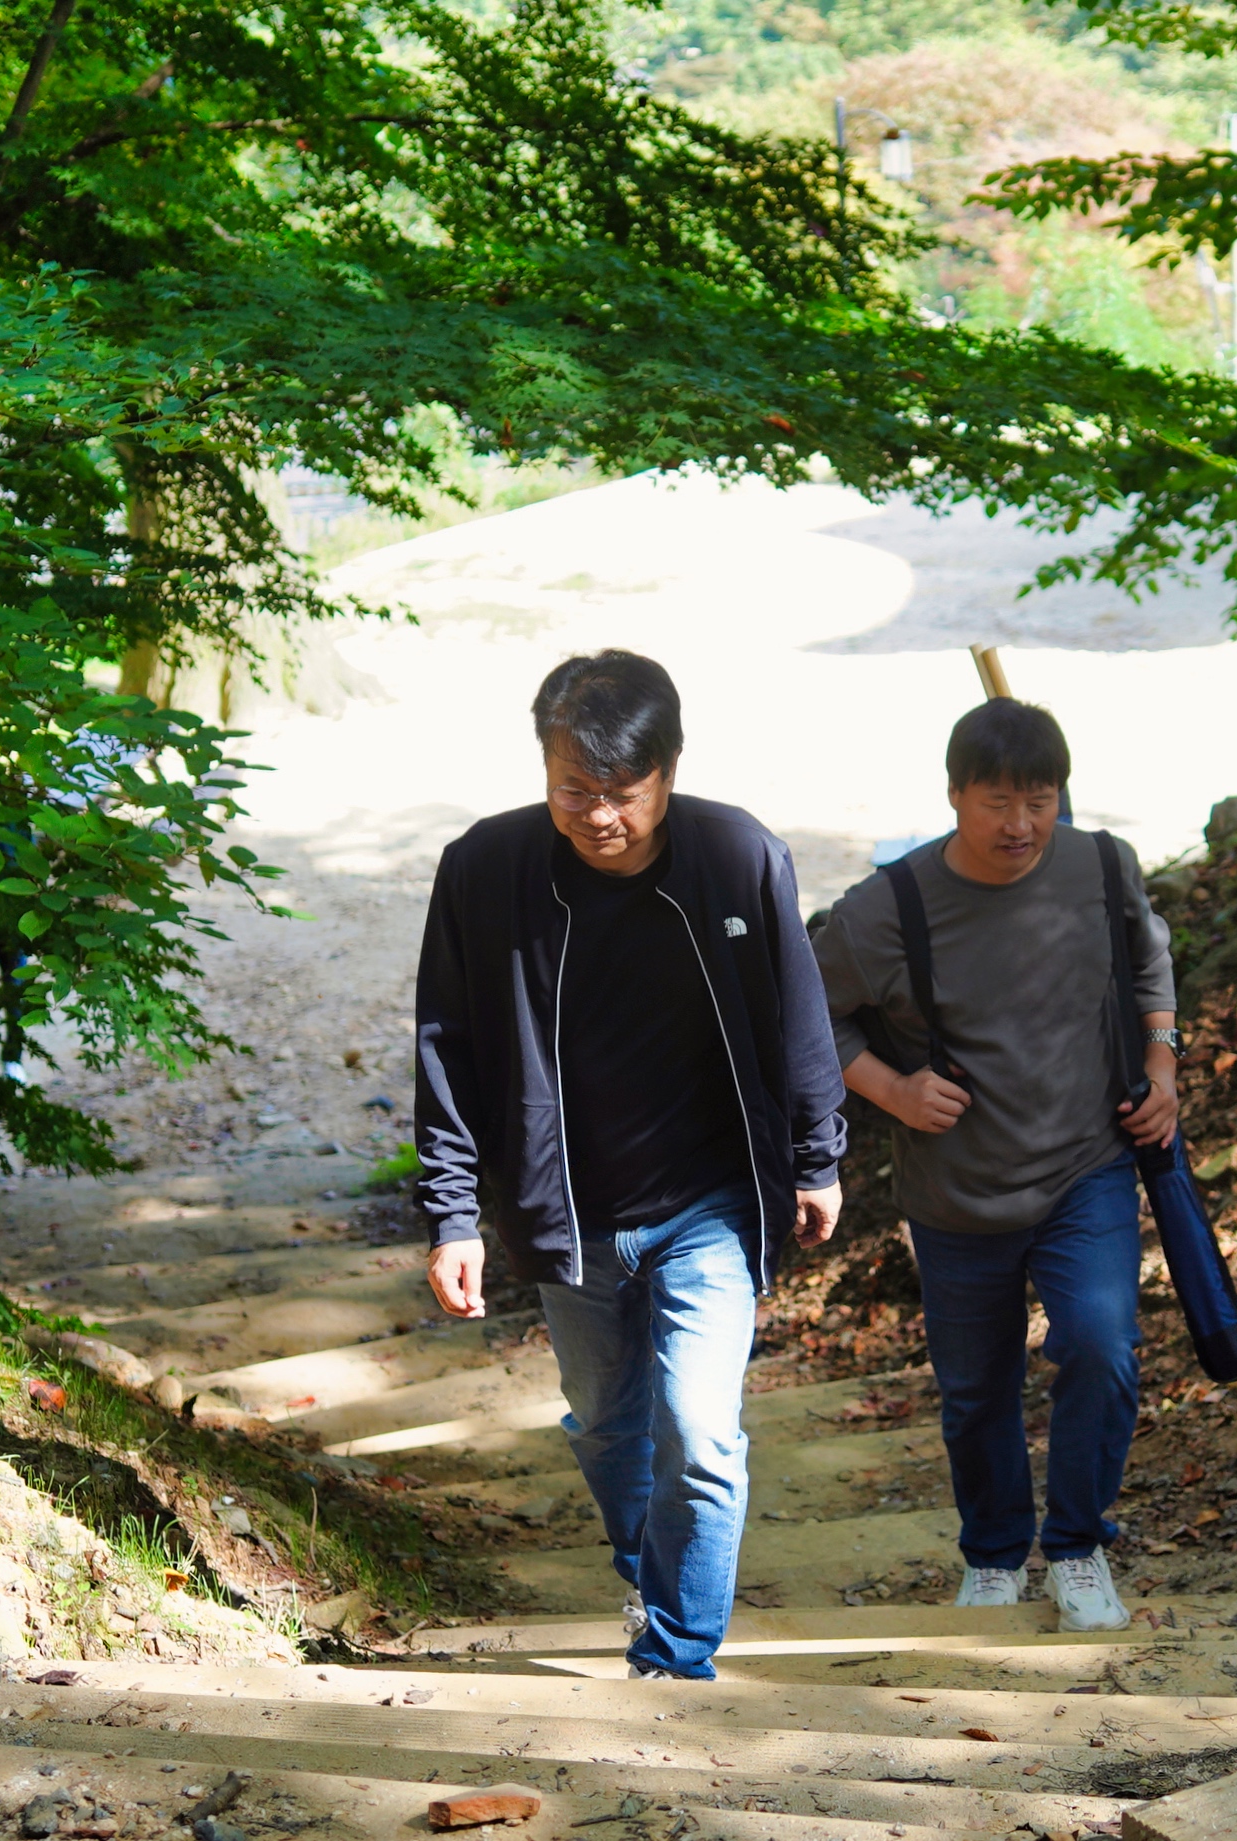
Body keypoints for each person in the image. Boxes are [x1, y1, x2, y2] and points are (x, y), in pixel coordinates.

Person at [414, 649, 847, 1680]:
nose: (598, 814)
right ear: (544, 768)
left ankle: (678, 1653)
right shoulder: (486, 869)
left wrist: (816, 1156)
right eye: (574, 788)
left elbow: (798, 1015)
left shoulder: (736, 855)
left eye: (622, 790)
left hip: (710, 1202)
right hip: (570, 1211)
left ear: (669, 769)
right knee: (609, 1425)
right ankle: (644, 1564)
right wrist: (451, 1214)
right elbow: (445, 1043)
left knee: (698, 1430)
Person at [812, 698, 1176, 1632]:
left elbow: (1148, 964)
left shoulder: (1102, 865)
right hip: (957, 1191)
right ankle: (994, 1554)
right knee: (977, 1389)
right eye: (997, 802)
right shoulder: (886, 909)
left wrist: (1164, 1064)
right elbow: (806, 1013)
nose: (1020, 824)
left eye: (1039, 801)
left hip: (1087, 1167)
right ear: (953, 796)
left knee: (1101, 1345)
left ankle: (1079, 1545)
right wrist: (892, 1090)